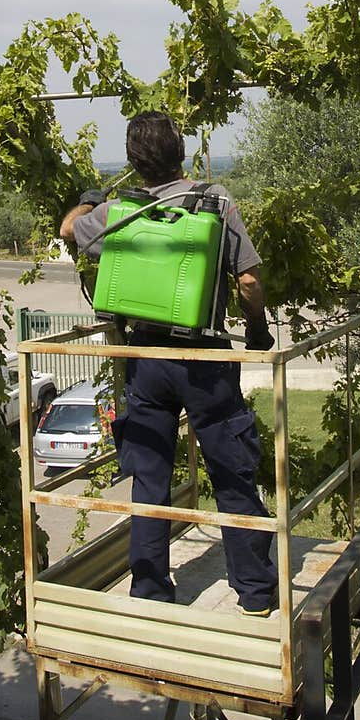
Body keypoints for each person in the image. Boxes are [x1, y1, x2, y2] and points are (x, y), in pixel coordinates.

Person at [60, 111, 279, 616]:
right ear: (180, 152)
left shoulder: (119, 210)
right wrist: (259, 328)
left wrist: (91, 199)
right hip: (202, 358)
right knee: (231, 472)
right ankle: (254, 591)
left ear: (134, 160)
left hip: (146, 358)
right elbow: (247, 282)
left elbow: (70, 228)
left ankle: (152, 590)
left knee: (149, 476)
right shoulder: (215, 200)